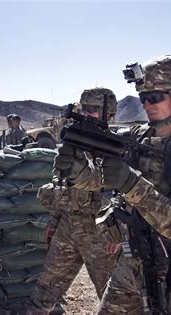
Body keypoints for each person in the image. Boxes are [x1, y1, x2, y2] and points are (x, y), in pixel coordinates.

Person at [54, 56, 171, 314]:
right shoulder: (137, 135)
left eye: (155, 97)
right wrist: (79, 172)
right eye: (143, 98)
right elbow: (104, 177)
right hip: (134, 257)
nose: (147, 104)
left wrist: (130, 182)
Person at [20, 88, 119, 314]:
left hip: (100, 233)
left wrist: (118, 230)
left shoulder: (119, 149)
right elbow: (61, 185)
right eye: (84, 109)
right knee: (45, 289)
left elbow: (126, 193)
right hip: (68, 225)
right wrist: (55, 220)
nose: (86, 114)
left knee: (112, 298)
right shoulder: (73, 143)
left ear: (108, 114)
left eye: (93, 110)